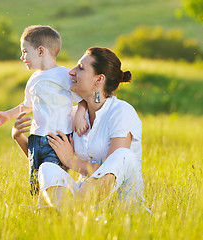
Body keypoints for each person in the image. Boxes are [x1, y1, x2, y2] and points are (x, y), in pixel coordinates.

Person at [12, 47, 146, 208]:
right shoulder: (71, 115)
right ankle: (69, 210)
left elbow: (112, 169)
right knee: (48, 168)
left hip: (121, 202)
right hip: (85, 194)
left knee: (124, 155)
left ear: (99, 80)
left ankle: (64, 209)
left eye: (80, 68)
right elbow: (48, 155)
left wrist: (70, 160)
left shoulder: (121, 112)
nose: (71, 72)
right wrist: (18, 136)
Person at [0, 25, 88, 195]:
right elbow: (27, 105)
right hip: (35, 140)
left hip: (57, 140)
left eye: (25, 51)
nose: (22, 57)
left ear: (41, 51)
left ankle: (60, 210)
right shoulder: (33, 79)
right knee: (35, 185)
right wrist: (7, 115)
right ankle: (41, 214)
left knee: (54, 181)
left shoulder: (64, 75)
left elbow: (83, 99)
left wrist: (79, 116)